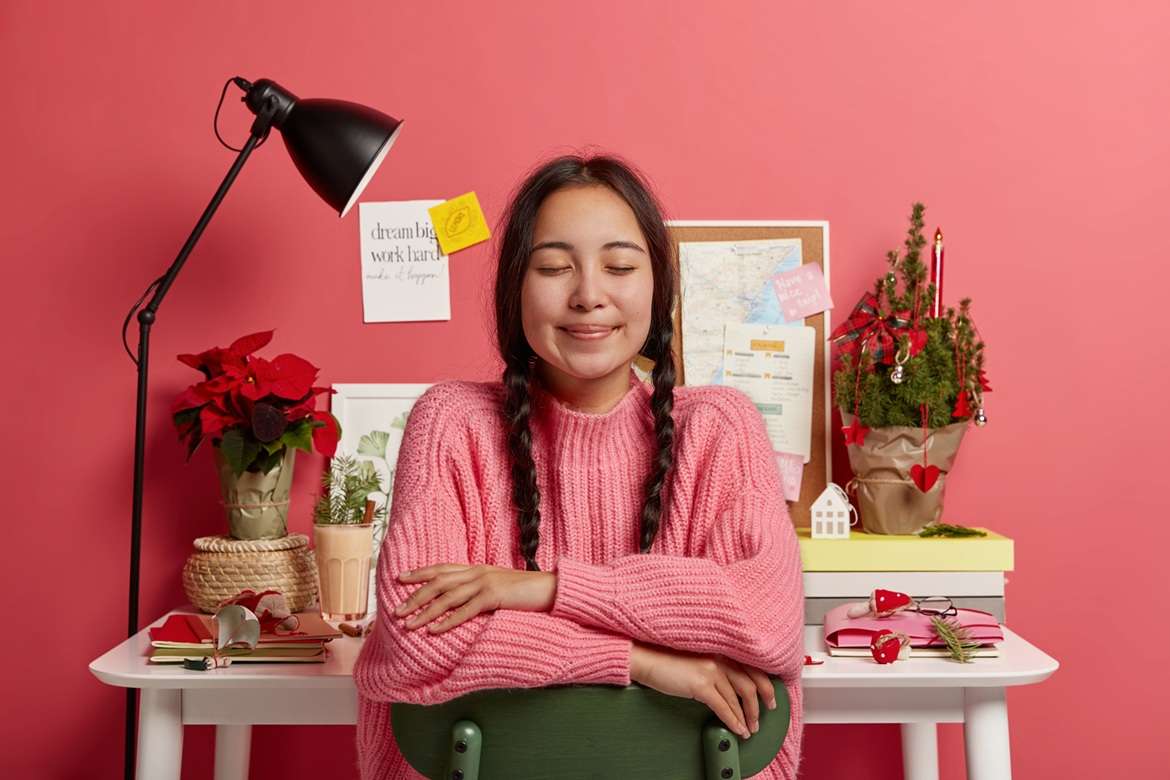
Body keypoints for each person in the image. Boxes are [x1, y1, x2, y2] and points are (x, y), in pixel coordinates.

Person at [353, 153, 805, 778]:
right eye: (554, 267)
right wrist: (641, 661)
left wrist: (545, 589)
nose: (589, 294)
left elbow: (769, 621)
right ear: (515, 289)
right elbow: (416, 640)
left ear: (658, 287)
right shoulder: (451, 423)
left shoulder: (719, 429)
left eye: (619, 265)